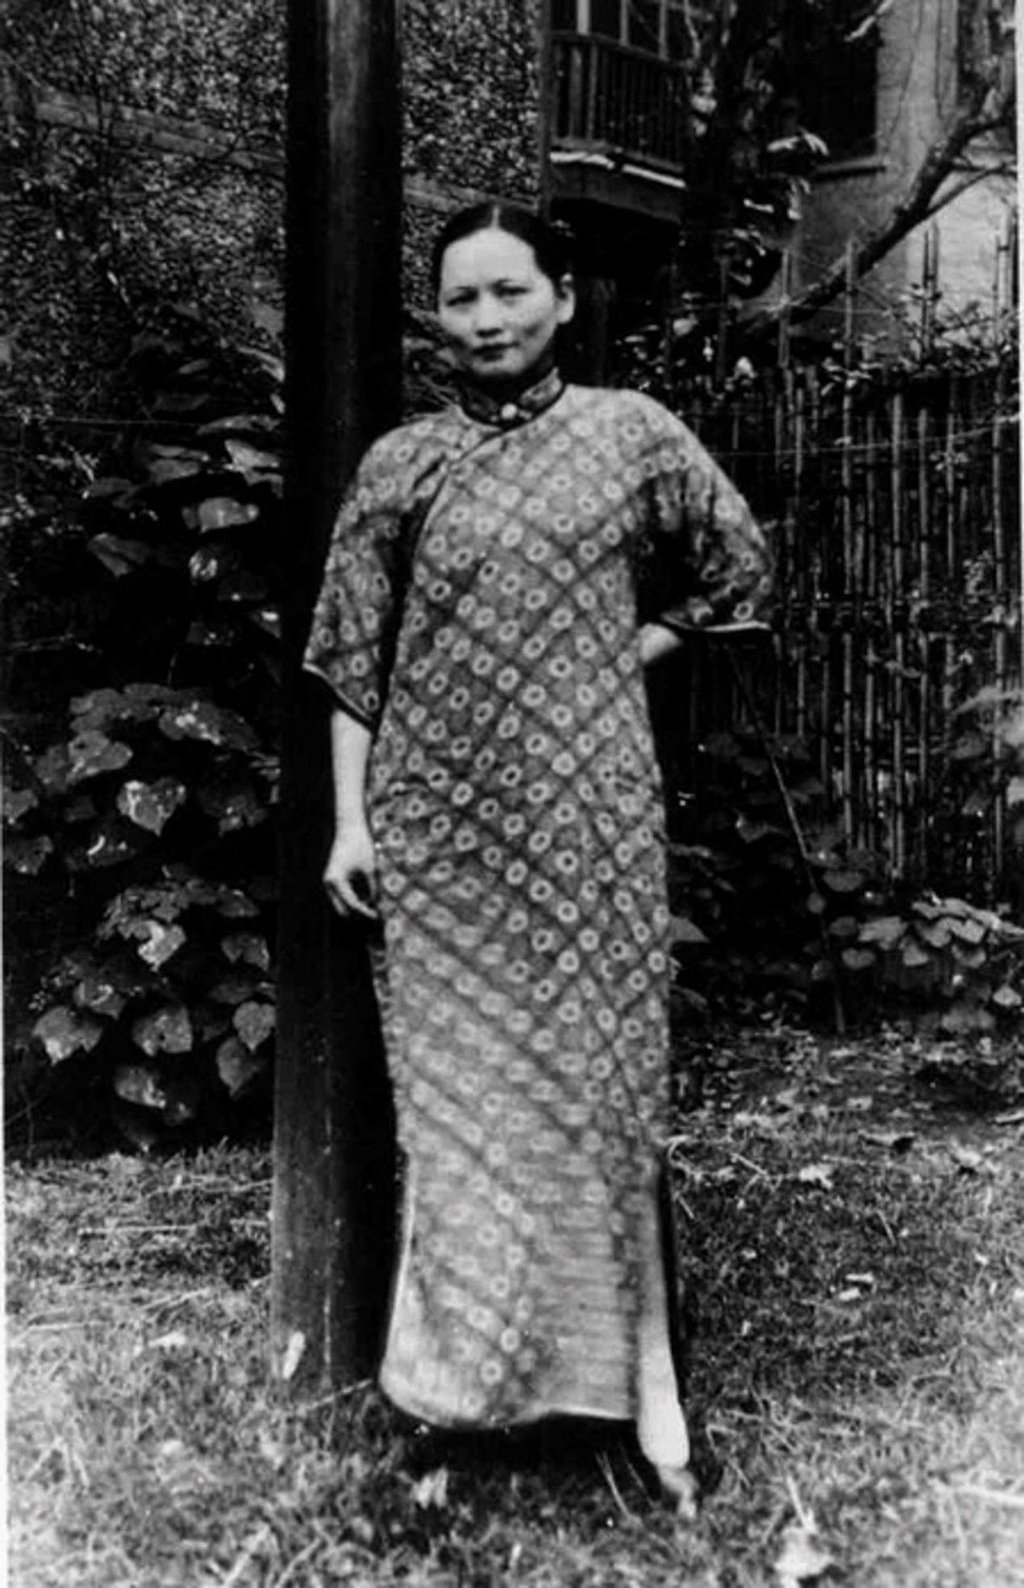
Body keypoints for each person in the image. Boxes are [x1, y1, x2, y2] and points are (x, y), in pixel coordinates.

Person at [303, 202, 770, 1510]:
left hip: (590, 829)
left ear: (563, 298)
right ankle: (466, 1401)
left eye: (513, 292)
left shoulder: (632, 436)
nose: (490, 320)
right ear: (437, 318)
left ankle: (643, 1401)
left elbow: (736, 569)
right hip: (439, 835)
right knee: (462, 1114)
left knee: (605, 1099)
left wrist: (617, 657)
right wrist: (352, 821)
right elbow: (350, 661)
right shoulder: (402, 464)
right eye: (463, 300)